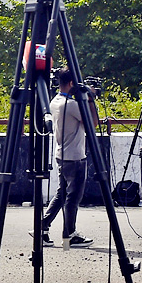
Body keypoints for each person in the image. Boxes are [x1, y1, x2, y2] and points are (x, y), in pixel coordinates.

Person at [41, 69, 99, 249]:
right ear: (72, 83)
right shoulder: (71, 104)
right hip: (75, 157)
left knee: (62, 194)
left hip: (62, 155)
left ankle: (42, 227)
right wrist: (90, 98)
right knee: (73, 197)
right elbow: (93, 124)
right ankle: (70, 236)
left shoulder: (55, 101)